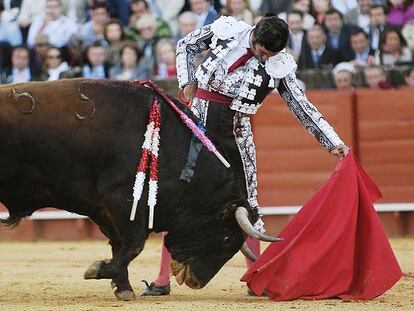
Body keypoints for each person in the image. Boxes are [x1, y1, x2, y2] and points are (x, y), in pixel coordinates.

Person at [141, 14, 350, 296]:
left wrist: (332, 141)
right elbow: (186, 45)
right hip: (197, 127)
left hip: (236, 134)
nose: (264, 59)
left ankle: (256, 278)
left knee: (248, 203)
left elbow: (301, 106)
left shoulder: (279, 65)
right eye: (262, 52)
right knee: (179, 196)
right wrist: (187, 80)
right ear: (254, 35)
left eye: (270, 55)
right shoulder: (228, 31)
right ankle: (162, 279)